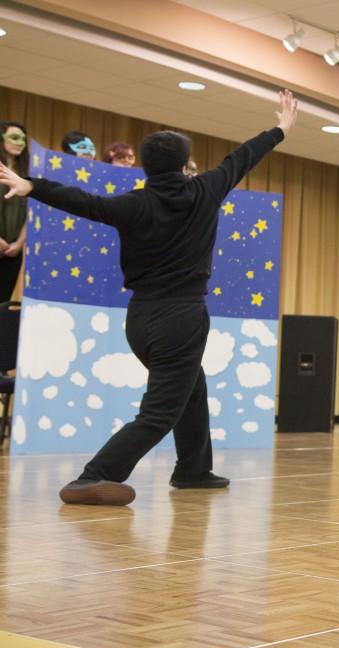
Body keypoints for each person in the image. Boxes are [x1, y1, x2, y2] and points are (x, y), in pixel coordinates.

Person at [0, 89, 299, 505]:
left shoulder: (134, 205)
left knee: (192, 387)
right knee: (160, 412)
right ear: (183, 164)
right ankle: (94, 476)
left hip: (141, 320)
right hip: (181, 319)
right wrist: (281, 128)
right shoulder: (205, 191)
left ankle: (193, 469)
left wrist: (32, 185)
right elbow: (243, 157)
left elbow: (83, 202)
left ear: (144, 165)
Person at [0, 121, 28, 301]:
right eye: (14, 137)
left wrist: (19, 243)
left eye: (23, 139)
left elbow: (32, 212)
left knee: (3, 301)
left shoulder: (27, 174)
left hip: (13, 251)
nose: (20, 143)